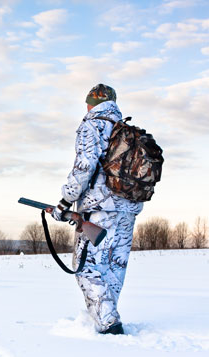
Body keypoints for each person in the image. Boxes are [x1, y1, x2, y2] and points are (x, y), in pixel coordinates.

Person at [51, 84, 142, 335]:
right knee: (114, 266)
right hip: (129, 207)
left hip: (99, 209)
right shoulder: (125, 130)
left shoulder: (92, 125)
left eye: (87, 102)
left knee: (86, 267)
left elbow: (84, 167)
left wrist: (65, 201)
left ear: (91, 102)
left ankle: (108, 323)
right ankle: (108, 316)